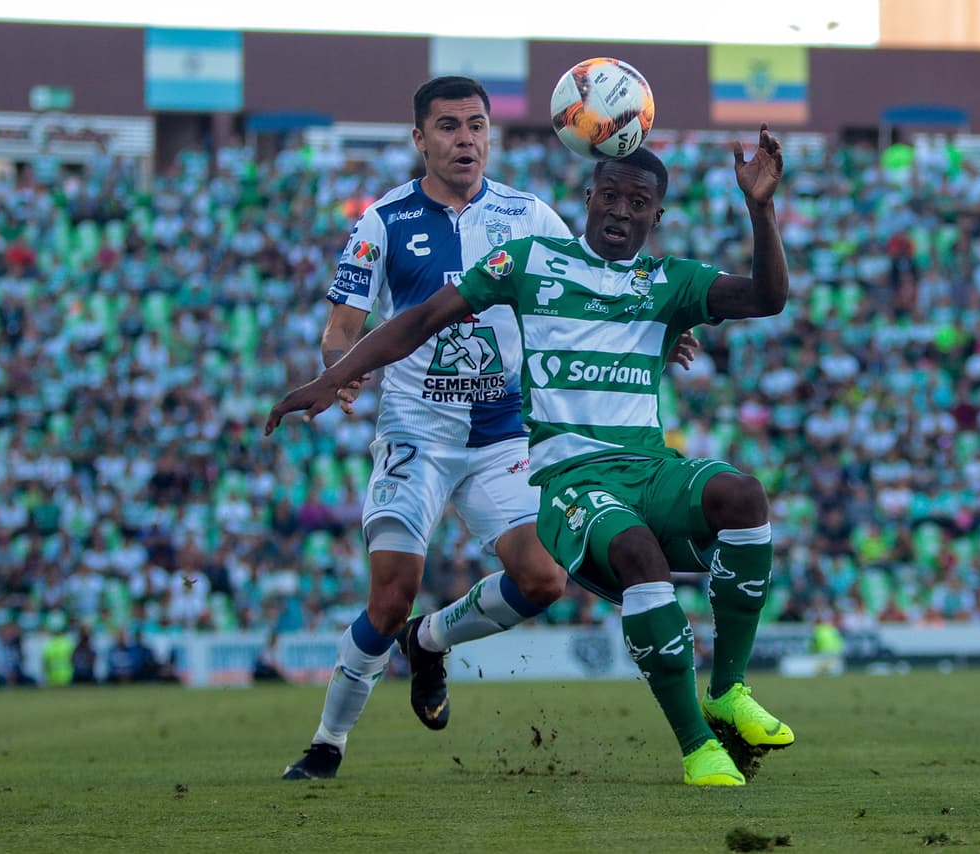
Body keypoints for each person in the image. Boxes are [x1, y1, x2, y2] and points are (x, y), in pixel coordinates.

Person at [267, 128, 795, 787]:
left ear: (657, 215)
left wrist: (760, 209)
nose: (621, 211)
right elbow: (421, 318)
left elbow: (769, 299)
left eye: (638, 202)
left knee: (724, 505)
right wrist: (330, 377)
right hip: (454, 441)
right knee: (392, 599)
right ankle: (329, 743)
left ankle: (723, 690)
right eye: (610, 195)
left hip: (542, 446)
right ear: (588, 196)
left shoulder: (666, 281)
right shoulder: (516, 258)